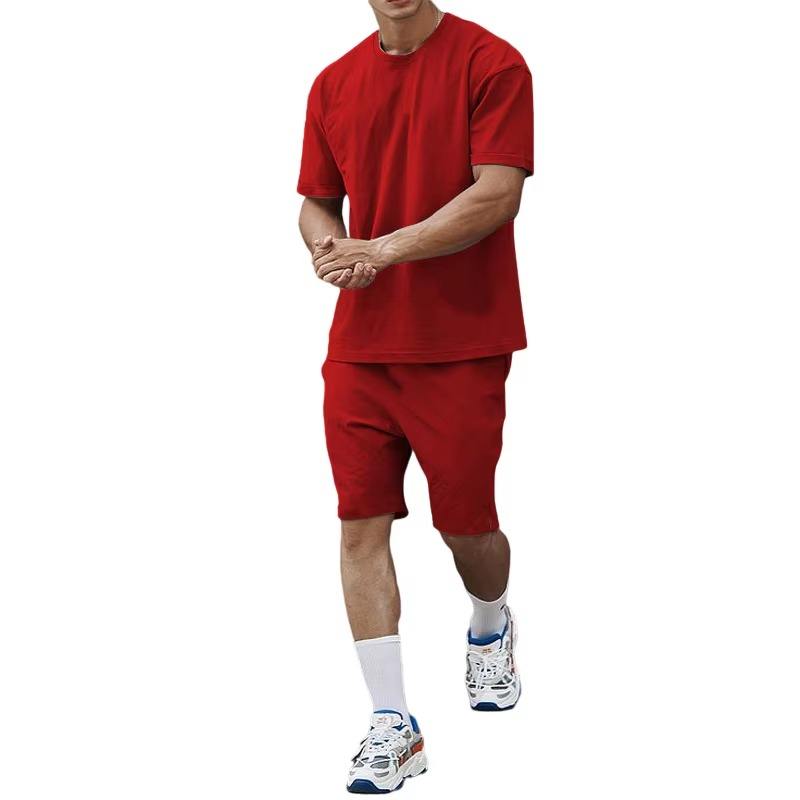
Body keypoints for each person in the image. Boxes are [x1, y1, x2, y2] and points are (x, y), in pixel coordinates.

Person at [297, 1, 533, 792]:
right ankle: (392, 724)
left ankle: (490, 621)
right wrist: (329, 248)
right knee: (358, 525)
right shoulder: (333, 83)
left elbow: (497, 194)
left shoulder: (492, 64)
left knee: (466, 527)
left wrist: (385, 248)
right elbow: (317, 200)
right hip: (360, 349)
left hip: (461, 343)